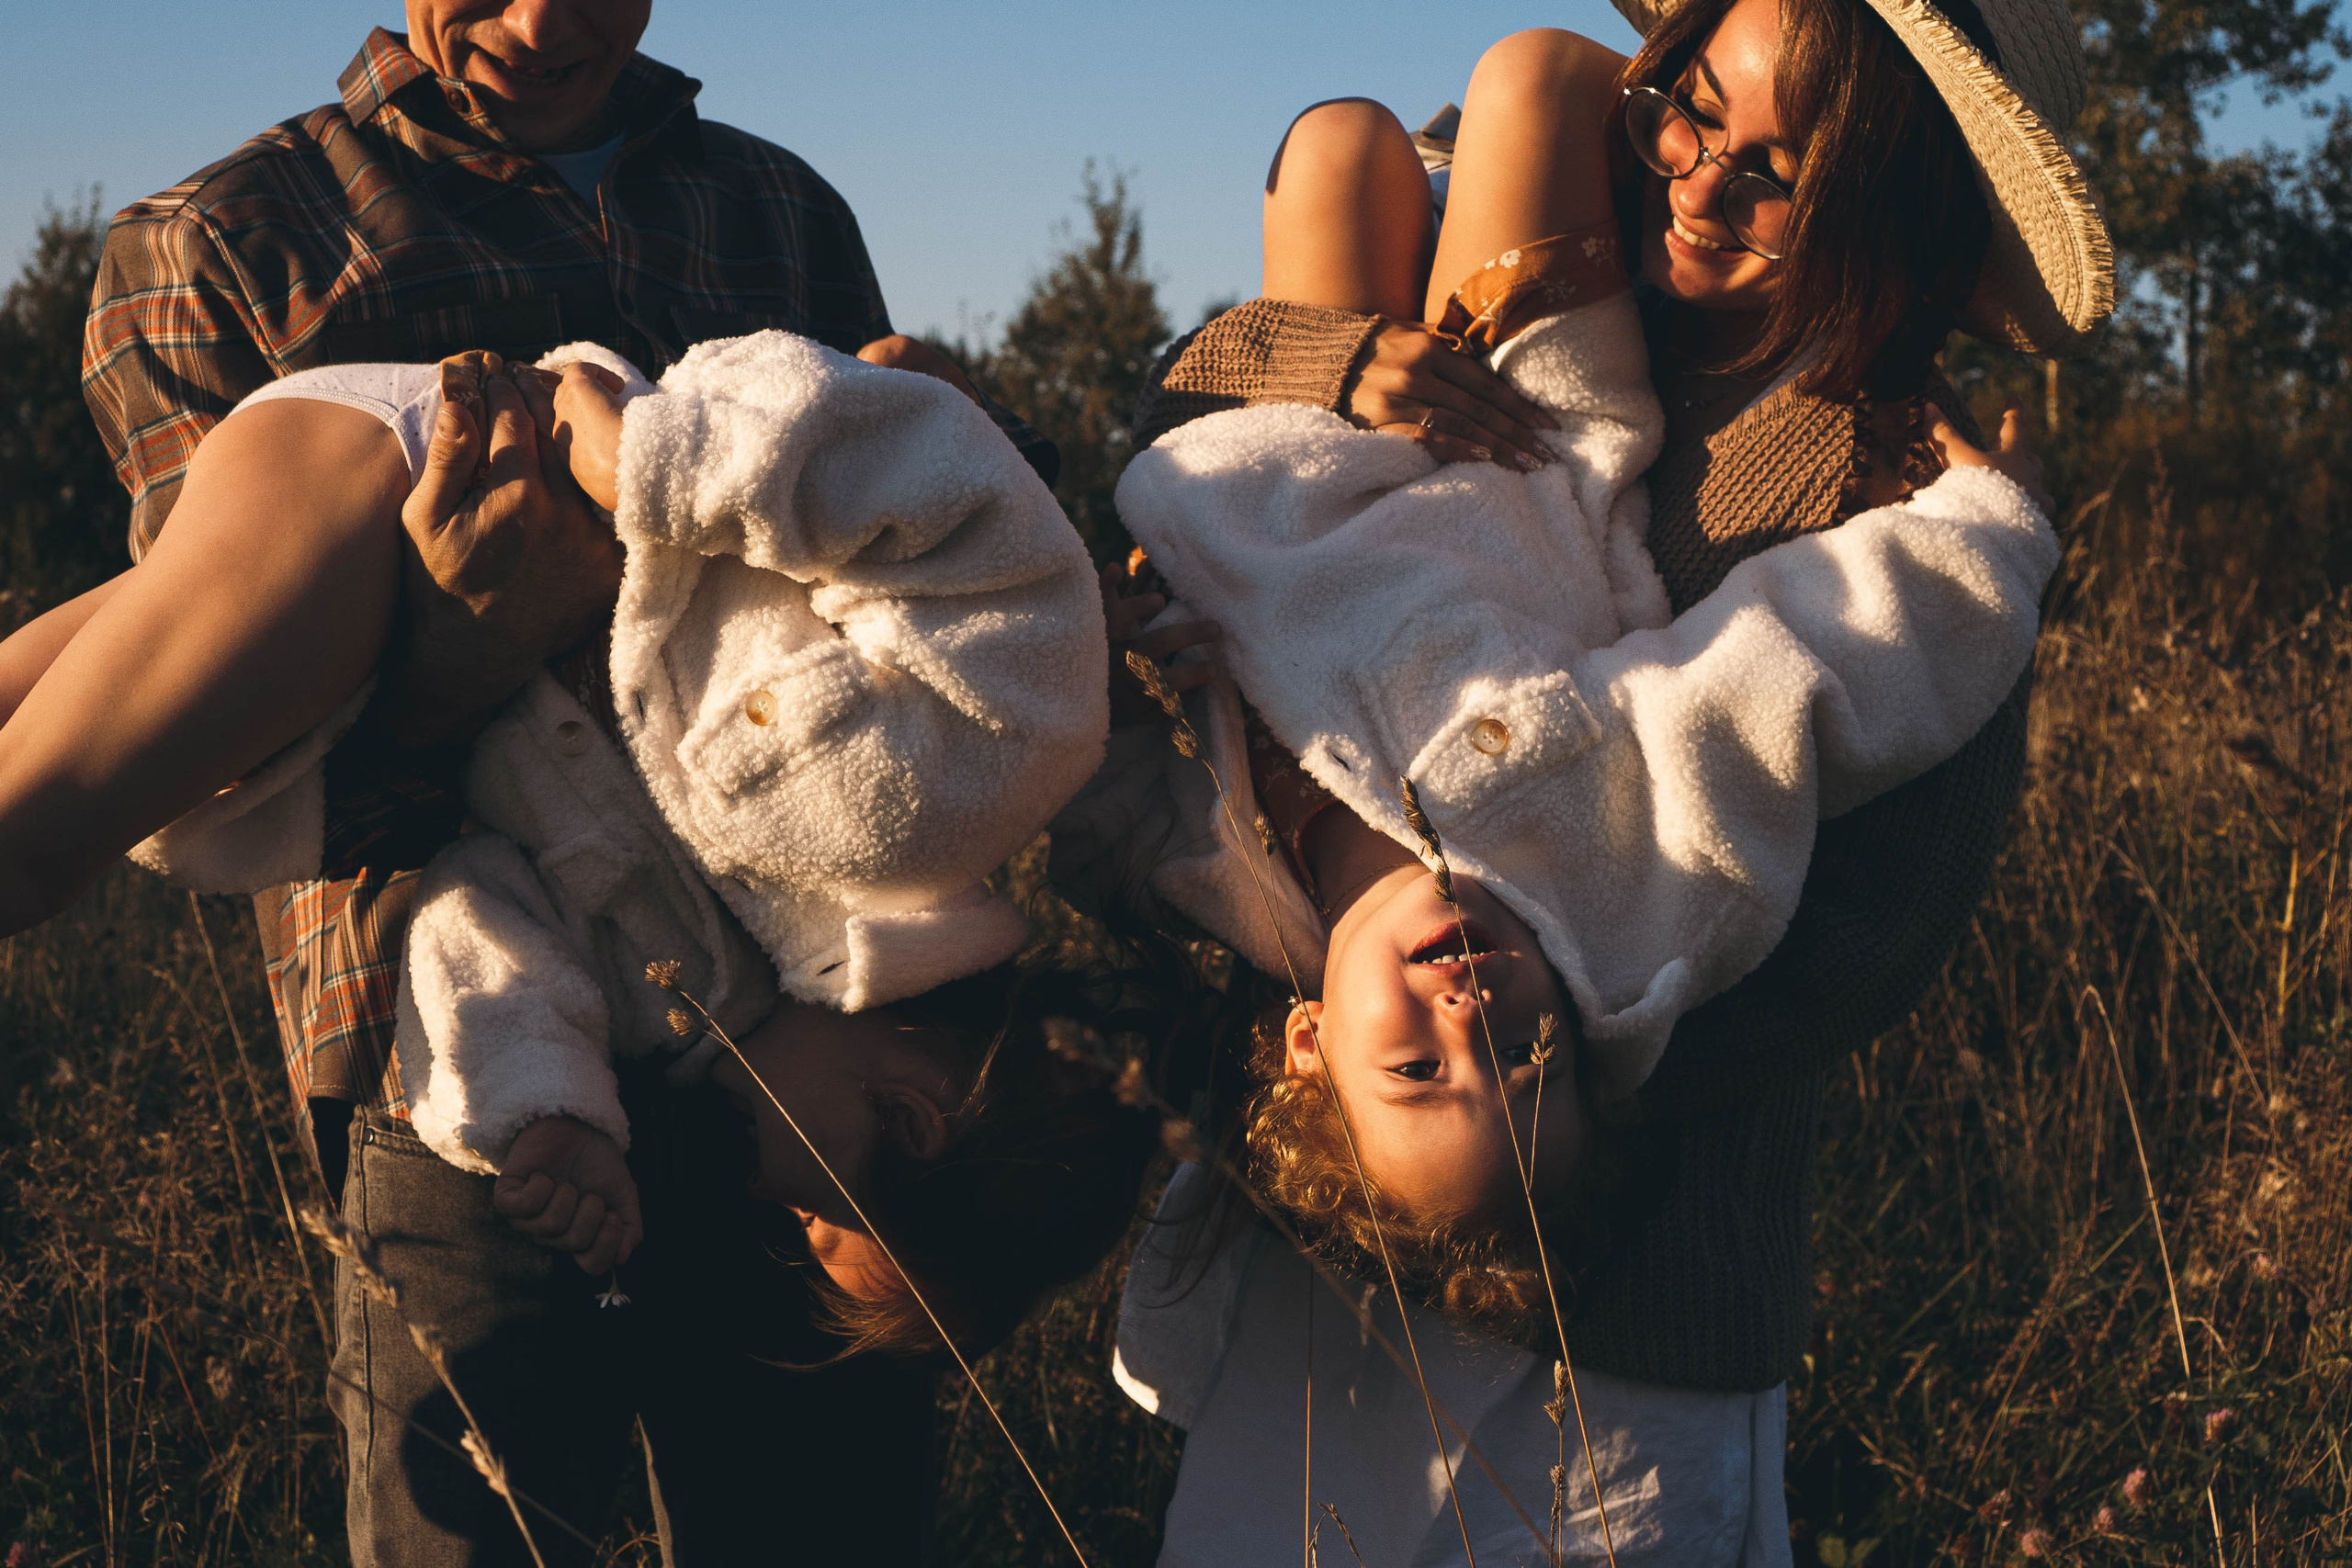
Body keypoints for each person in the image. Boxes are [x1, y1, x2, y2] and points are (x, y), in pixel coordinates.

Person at [1090, 0, 2114, 1555]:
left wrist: (1530, 1059)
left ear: (1896, 208)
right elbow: (1211, 405)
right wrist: (1339, 359)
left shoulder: (1892, 469)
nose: (1701, 189)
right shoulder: (1574, 232)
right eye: (1690, 111)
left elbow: (1873, 938)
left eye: (1785, 174)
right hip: (1326, 1238)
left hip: (1630, 1321)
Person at [62, 4, 1053, 1561]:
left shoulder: (778, 210)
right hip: (463, 1069)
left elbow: (880, 570)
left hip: (810, 1055)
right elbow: (239, 750)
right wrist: (459, 657)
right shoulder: (214, 241)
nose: (539, 17)